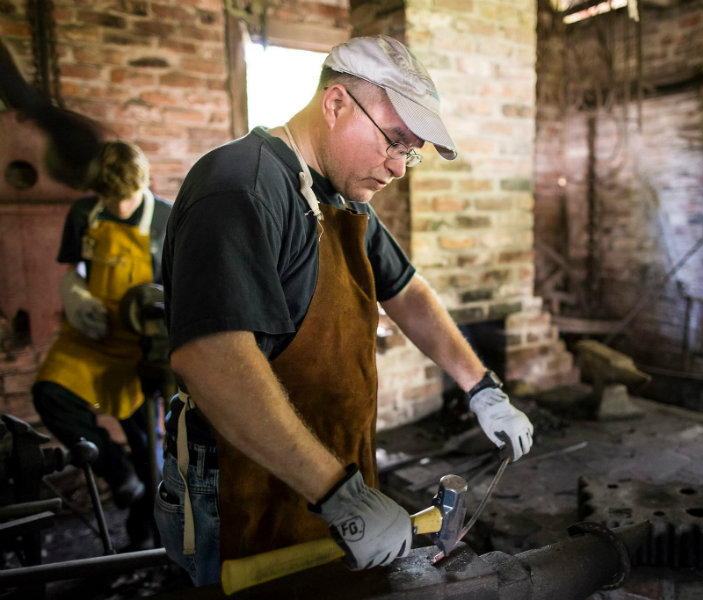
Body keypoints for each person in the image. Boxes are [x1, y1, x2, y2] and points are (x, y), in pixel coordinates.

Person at [155, 34, 535, 586]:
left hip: (325, 474)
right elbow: (213, 361)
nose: (399, 166)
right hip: (244, 482)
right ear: (335, 104)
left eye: (410, 153)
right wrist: (339, 492)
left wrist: (481, 388)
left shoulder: (338, 197)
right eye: (394, 141)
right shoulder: (240, 185)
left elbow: (407, 291)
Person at [32, 140, 172, 550]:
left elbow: (185, 288)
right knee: (49, 393)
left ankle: (148, 531)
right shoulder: (84, 213)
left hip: (143, 344)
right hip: (93, 334)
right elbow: (73, 269)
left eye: (125, 197)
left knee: (149, 445)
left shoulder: (167, 219)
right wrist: (74, 293)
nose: (120, 206)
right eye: (110, 197)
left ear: (141, 184)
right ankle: (116, 469)